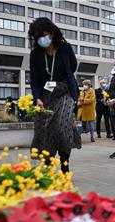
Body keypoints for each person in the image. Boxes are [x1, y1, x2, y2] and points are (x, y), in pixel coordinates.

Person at [28, 17, 81, 173]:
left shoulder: (65, 48)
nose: (40, 39)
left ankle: (65, 164)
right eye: (37, 37)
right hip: (45, 93)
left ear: (51, 32)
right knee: (43, 128)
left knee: (61, 126)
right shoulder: (35, 54)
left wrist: (61, 82)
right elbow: (35, 79)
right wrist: (37, 97)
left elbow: (72, 66)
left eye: (42, 35)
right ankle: (48, 166)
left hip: (65, 90)